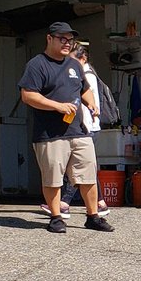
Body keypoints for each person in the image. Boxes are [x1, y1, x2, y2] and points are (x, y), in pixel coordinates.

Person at [18, 22, 114, 233]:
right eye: (62, 38)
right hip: (49, 134)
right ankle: (56, 218)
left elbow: (84, 89)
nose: (66, 43)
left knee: (88, 174)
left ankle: (93, 216)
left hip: (78, 130)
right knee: (53, 178)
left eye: (69, 40)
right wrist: (57, 106)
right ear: (49, 38)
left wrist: (91, 103)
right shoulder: (37, 65)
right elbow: (27, 95)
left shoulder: (74, 65)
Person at [53, 42, 110, 217]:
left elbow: (88, 103)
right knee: (88, 167)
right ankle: (100, 203)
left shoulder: (86, 75)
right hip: (88, 127)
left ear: (83, 58)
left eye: (73, 60)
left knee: (78, 167)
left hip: (87, 127)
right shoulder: (84, 73)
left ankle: (64, 203)